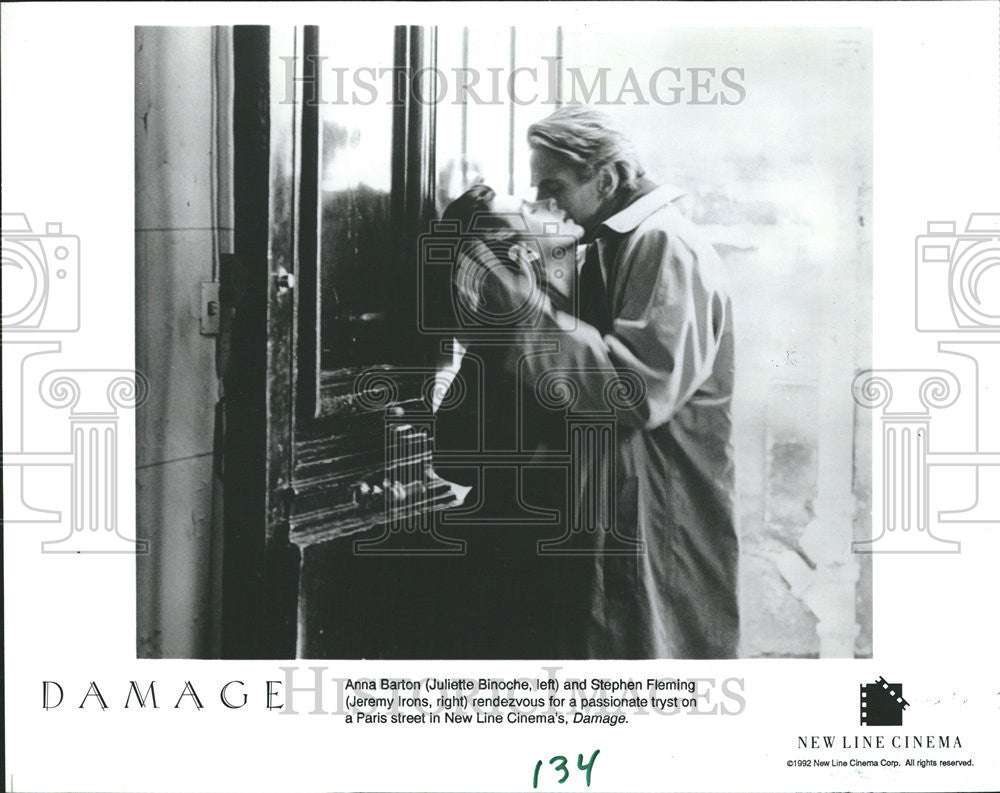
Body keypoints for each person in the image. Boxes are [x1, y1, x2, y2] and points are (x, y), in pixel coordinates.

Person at [464, 105, 740, 659]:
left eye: (555, 187)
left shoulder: (663, 243)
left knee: (643, 667)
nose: (548, 204)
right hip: (628, 500)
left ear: (608, 178)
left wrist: (516, 303)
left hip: (657, 504)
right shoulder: (622, 242)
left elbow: (633, 392)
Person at [428, 184, 584, 658]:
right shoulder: (504, 345)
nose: (538, 212)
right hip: (514, 534)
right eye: (518, 216)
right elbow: (455, 452)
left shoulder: (538, 329)